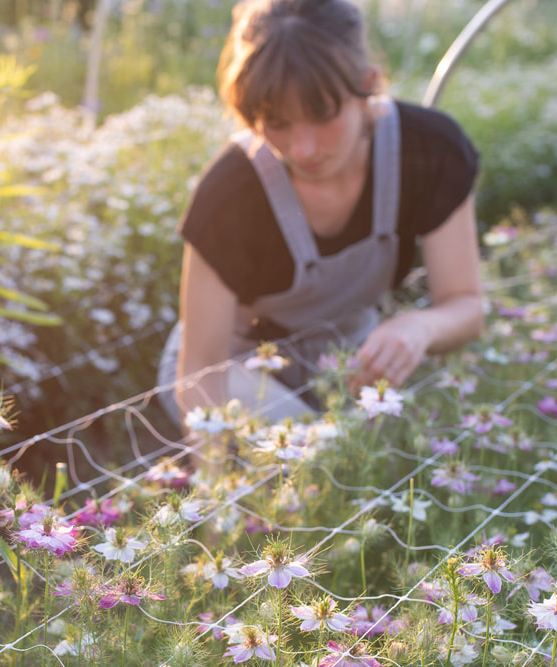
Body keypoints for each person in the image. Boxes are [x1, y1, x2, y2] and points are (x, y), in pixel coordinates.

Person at [158, 0, 484, 424]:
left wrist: (418, 328)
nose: (302, 149)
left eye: (321, 114)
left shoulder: (430, 151)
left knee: (404, 454)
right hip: (232, 371)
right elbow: (200, 373)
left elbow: (466, 307)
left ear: (367, 84)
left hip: (345, 351)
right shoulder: (230, 195)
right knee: (314, 457)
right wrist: (217, 482)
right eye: (276, 122)